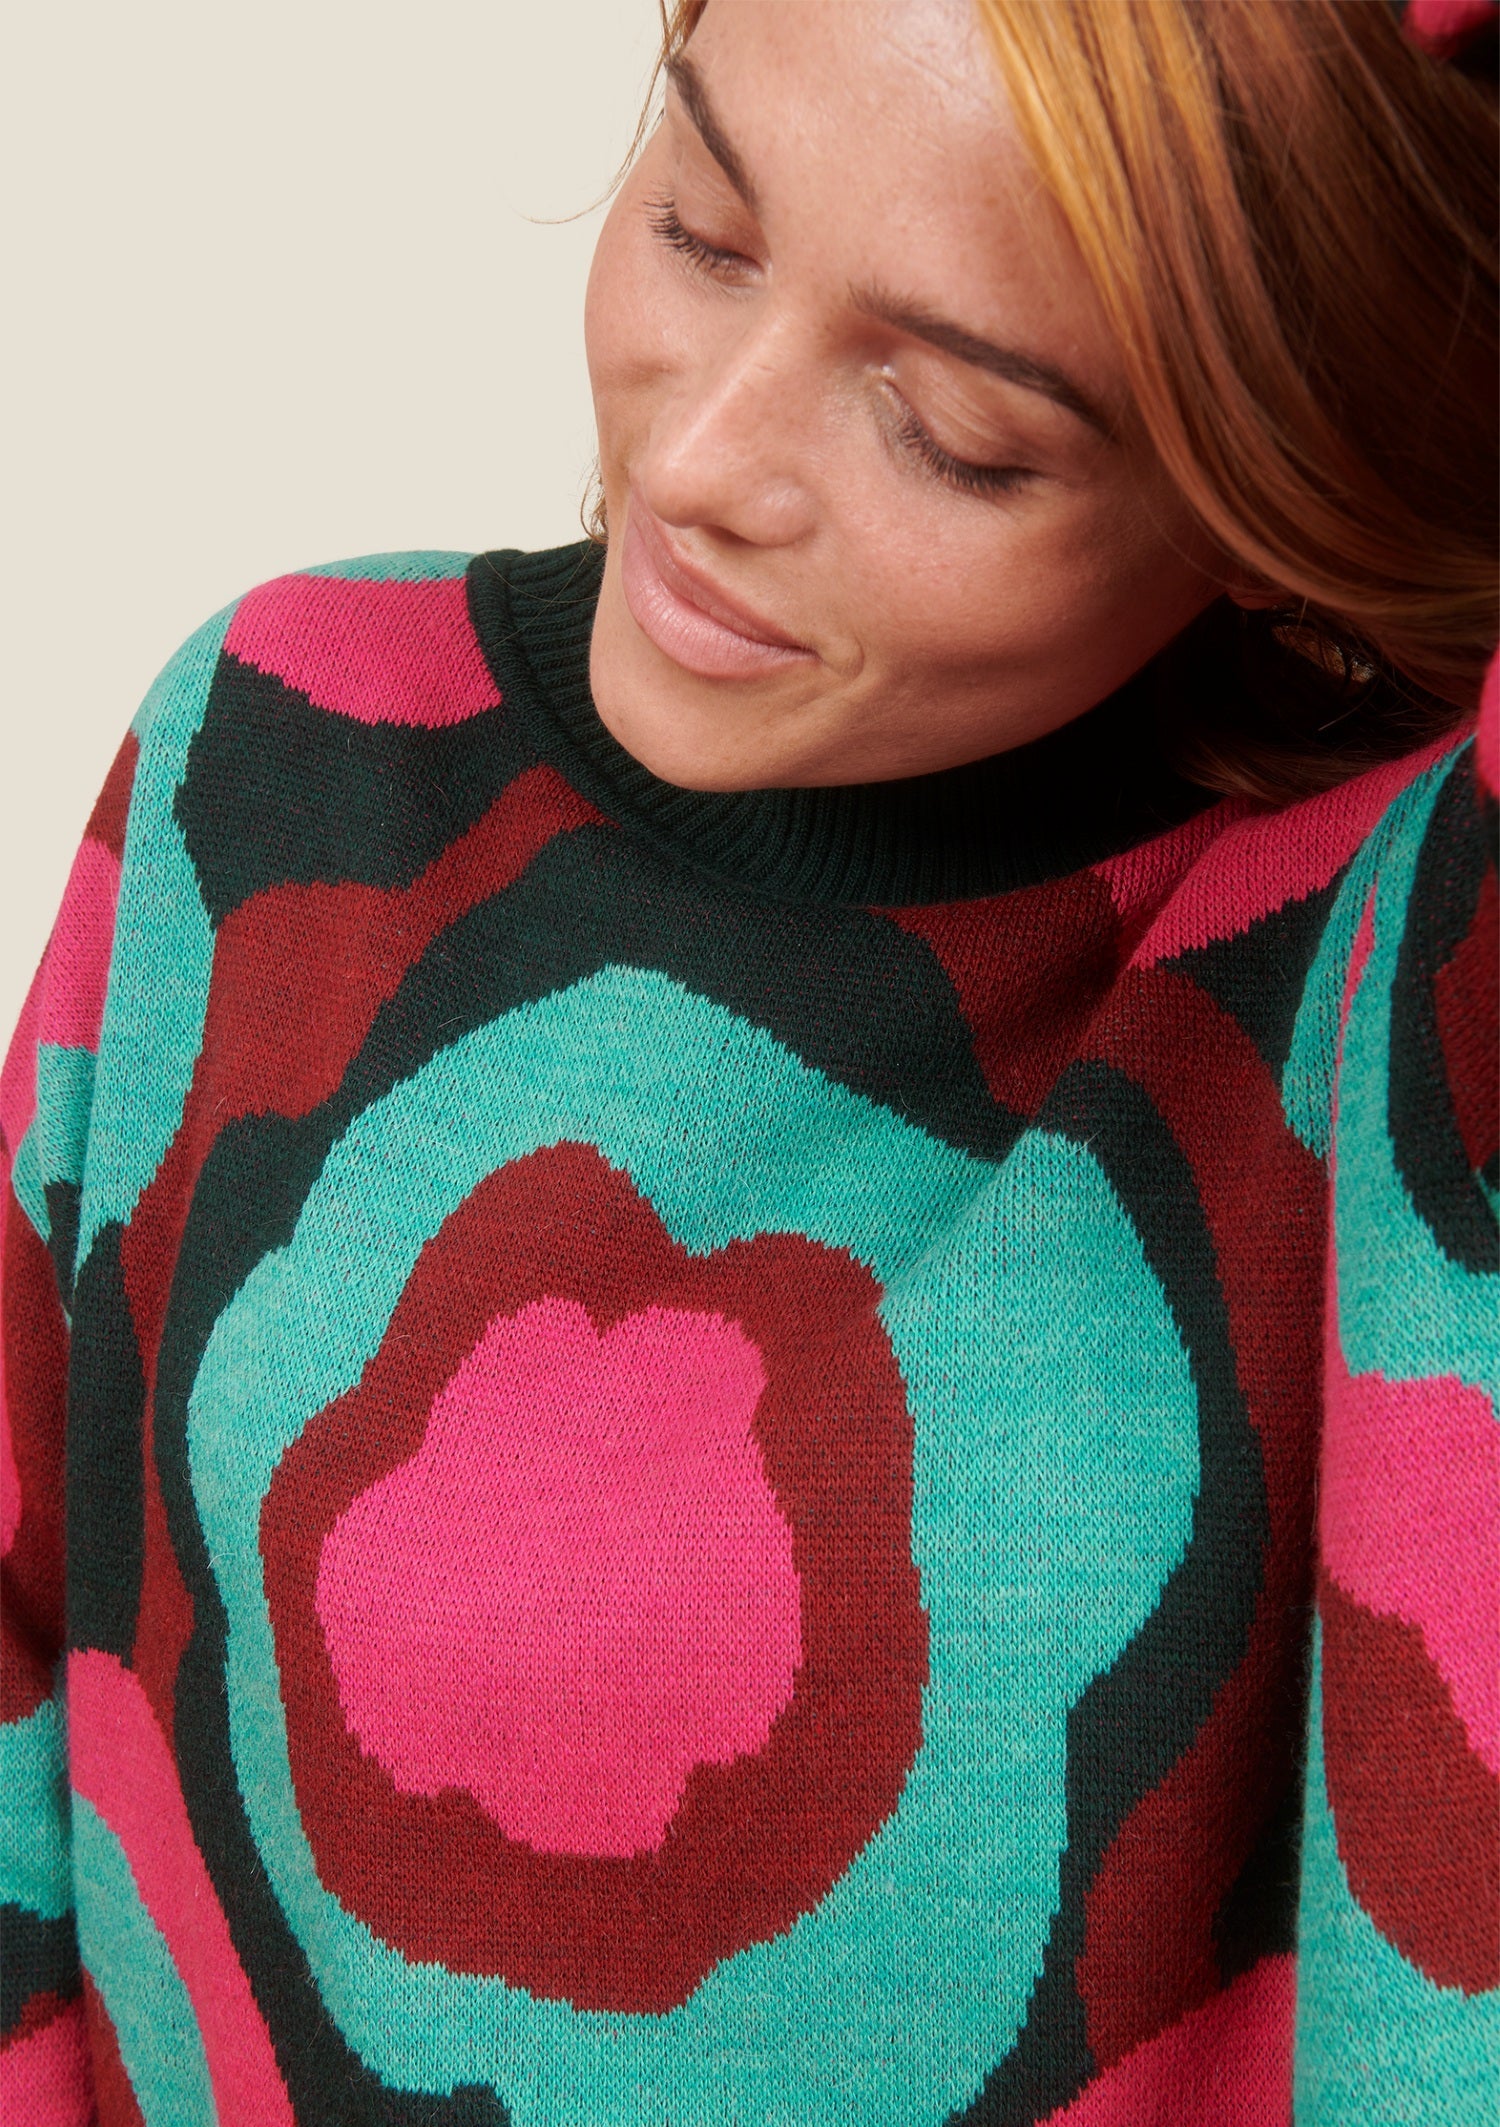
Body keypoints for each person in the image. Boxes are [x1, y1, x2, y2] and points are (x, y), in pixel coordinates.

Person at [2, 0, 1495, 2119]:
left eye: (954, 430)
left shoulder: (1397, 973)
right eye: (702, 227)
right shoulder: (276, 753)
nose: (699, 464)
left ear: (1274, 496)